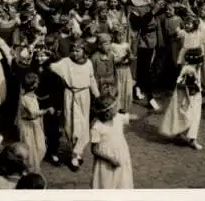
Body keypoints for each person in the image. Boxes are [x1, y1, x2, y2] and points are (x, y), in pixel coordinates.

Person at [50, 40, 100, 170]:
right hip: (69, 94)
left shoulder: (88, 63)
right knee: (69, 125)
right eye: (73, 50)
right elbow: (52, 67)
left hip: (84, 95)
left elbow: (91, 79)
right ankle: (74, 149)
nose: (75, 53)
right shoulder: (66, 62)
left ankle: (76, 154)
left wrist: (97, 95)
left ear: (84, 51)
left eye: (78, 51)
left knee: (83, 124)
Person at [159, 48, 204, 150]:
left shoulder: (197, 68)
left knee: (194, 116)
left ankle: (191, 137)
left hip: (194, 97)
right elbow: (181, 83)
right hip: (186, 97)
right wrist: (192, 86)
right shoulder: (188, 70)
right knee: (186, 114)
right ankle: (183, 134)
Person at [90, 95, 136, 189]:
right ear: (107, 113)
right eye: (115, 107)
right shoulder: (97, 127)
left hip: (121, 157)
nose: (117, 108)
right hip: (106, 162)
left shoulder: (118, 117)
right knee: (107, 183)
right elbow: (94, 150)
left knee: (122, 181)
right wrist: (109, 159)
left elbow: (134, 117)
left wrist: (149, 113)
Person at [16, 72, 55, 173]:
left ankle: (33, 167)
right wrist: (47, 110)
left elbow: (38, 99)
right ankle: (30, 170)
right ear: (33, 85)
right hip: (27, 126)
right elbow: (33, 113)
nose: (38, 84)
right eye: (36, 83)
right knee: (30, 150)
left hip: (36, 124)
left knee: (41, 147)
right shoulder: (25, 98)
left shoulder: (32, 95)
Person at [110, 25, 134, 113]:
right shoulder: (112, 46)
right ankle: (117, 107)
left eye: (122, 35)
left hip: (126, 70)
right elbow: (115, 61)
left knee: (126, 89)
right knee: (118, 88)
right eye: (118, 35)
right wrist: (125, 57)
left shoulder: (126, 45)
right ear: (114, 35)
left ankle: (124, 107)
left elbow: (130, 59)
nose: (120, 37)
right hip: (118, 70)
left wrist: (130, 58)